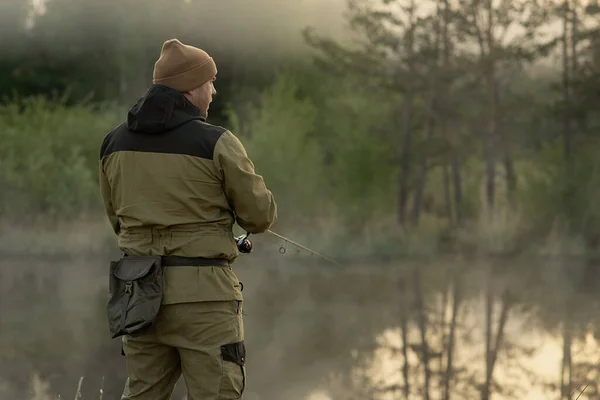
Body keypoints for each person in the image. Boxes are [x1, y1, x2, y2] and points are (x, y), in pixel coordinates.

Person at [98, 38, 277, 400]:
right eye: (210, 82)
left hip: (138, 294)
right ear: (191, 88)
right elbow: (260, 216)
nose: (213, 91)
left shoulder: (113, 144)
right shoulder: (217, 142)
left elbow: (117, 219)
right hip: (204, 300)